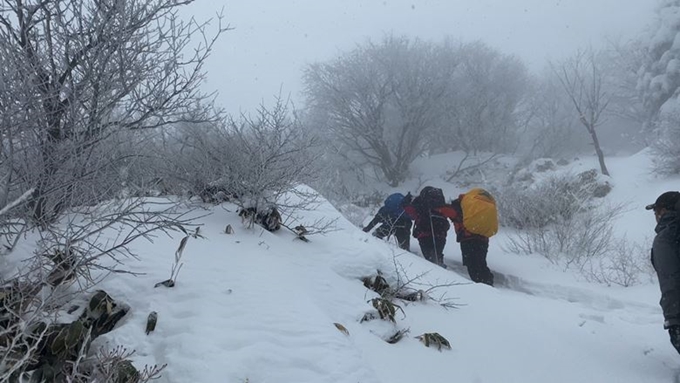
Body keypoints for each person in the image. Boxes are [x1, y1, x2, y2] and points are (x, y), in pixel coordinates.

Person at [438, 189, 497, 286]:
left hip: (468, 239)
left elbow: (445, 211)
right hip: (483, 238)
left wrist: (434, 207)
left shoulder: (458, 209)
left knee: (472, 264)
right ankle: (487, 281)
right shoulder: (472, 208)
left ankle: (484, 286)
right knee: (480, 262)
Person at [646, 191, 680, 355]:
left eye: (655, 211)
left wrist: (674, 320)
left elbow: (670, 280)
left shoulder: (667, 238)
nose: (655, 215)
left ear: (663, 211)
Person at [401, 187, 450, 267]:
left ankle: (438, 274)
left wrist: (406, 201)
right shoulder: (441, 206)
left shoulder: (420, 205)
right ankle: (441, 267)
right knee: (437, 255)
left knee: (430, 260)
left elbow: (408, 210)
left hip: (424, 234)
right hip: (441, 234)